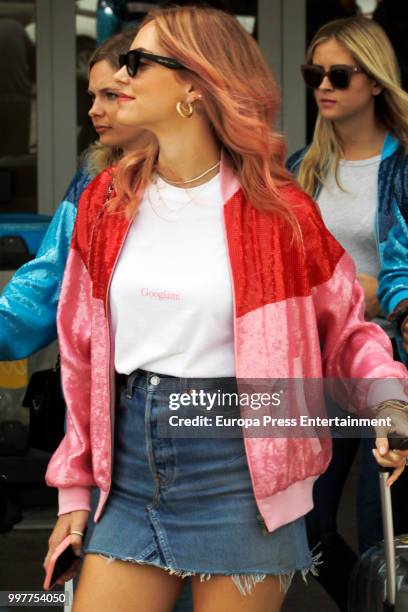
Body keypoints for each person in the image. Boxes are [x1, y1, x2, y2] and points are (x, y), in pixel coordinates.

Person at [43, 7, 408, 612]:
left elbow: (345, 331)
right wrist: (74, 491)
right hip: (128, 472)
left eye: (138, 62)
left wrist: (388, 401)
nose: (120, 75)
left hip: (242, 475)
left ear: (194, 82)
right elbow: (80, 358)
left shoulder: (277, 209)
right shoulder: (105, 200)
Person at [287, 15, 408, 611]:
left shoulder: (406, 163)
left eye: (339, 73)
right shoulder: (299, 169)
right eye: (315, 74)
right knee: (307, 529)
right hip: (321, 370)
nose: (324, 85)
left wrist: (359, 289)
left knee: (382, 528)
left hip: (393, 368)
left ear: (376, 81)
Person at [0, 28, 143, 362]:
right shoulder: (94, 180)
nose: (93, 110)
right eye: (93, 96)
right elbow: (49, 279)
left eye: (111, 95)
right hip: (109, 389)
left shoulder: (221, 183)